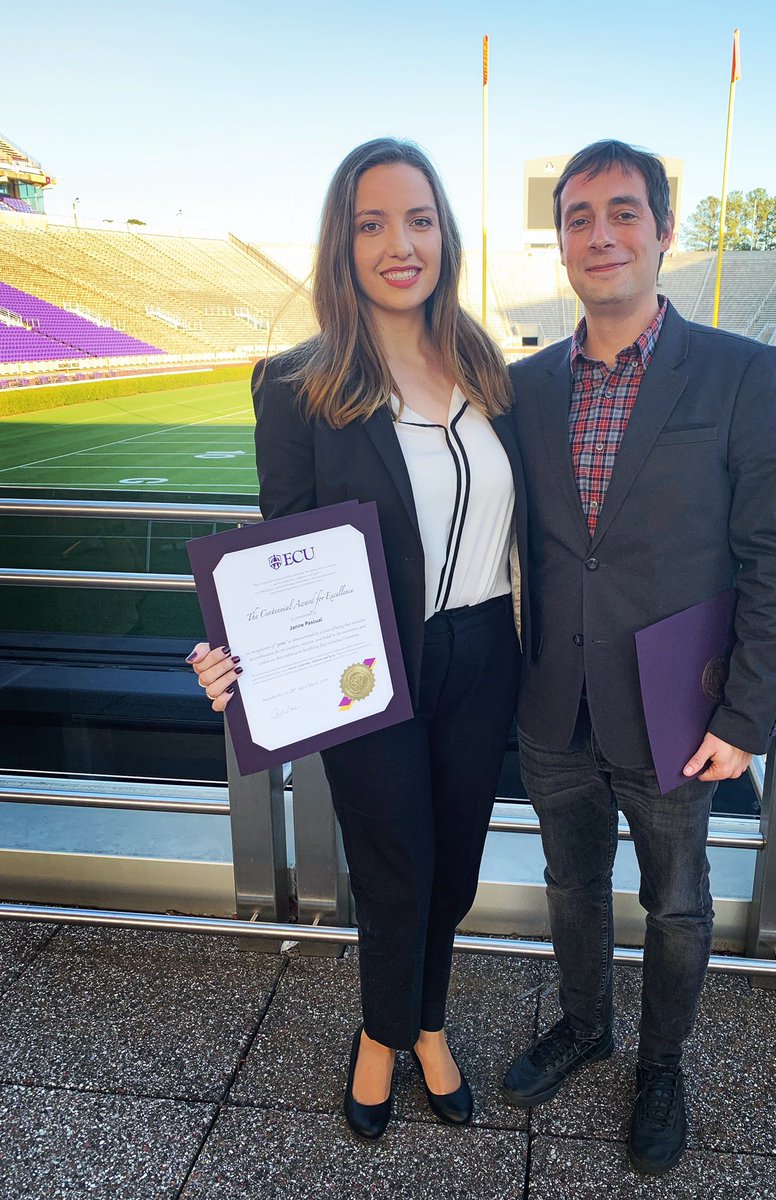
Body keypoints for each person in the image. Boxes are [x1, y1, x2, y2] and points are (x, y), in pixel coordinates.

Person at [189, 137, 526, 1141]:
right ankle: (388, 1039)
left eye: (418, 219)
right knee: (395, 868)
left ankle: (426, 1019)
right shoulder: (297, 383)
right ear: (343, 243)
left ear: (444, 233)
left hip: (484, 658)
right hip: (367, 667)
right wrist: (228, 651)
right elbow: (274, 550)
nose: (399, 243)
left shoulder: (481, 360)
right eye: (371, 222)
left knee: (454, 867)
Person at [501, 140, 776, 1175]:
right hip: (554, 703)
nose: (601, 234)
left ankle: (661, 1062)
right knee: (570, 885)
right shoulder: (523, 385)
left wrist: (748, 714)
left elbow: (774, 554)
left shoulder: (742, 372)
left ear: (665, 232)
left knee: (676, 902)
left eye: (623, 212)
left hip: (681, 711)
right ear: (561, 243)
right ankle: (586, 1024)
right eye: (579, 217)